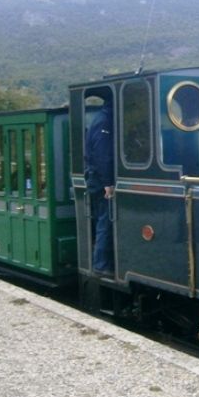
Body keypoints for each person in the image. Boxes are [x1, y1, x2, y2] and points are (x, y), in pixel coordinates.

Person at [84, 99, 115, 276]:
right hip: (99, 180)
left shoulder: (101, 119)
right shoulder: (104, 121)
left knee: (103, 221)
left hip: (96, 177)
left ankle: (101, 262)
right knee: (105, 221)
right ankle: (101, 265)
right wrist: (107, 183)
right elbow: (102, 155)